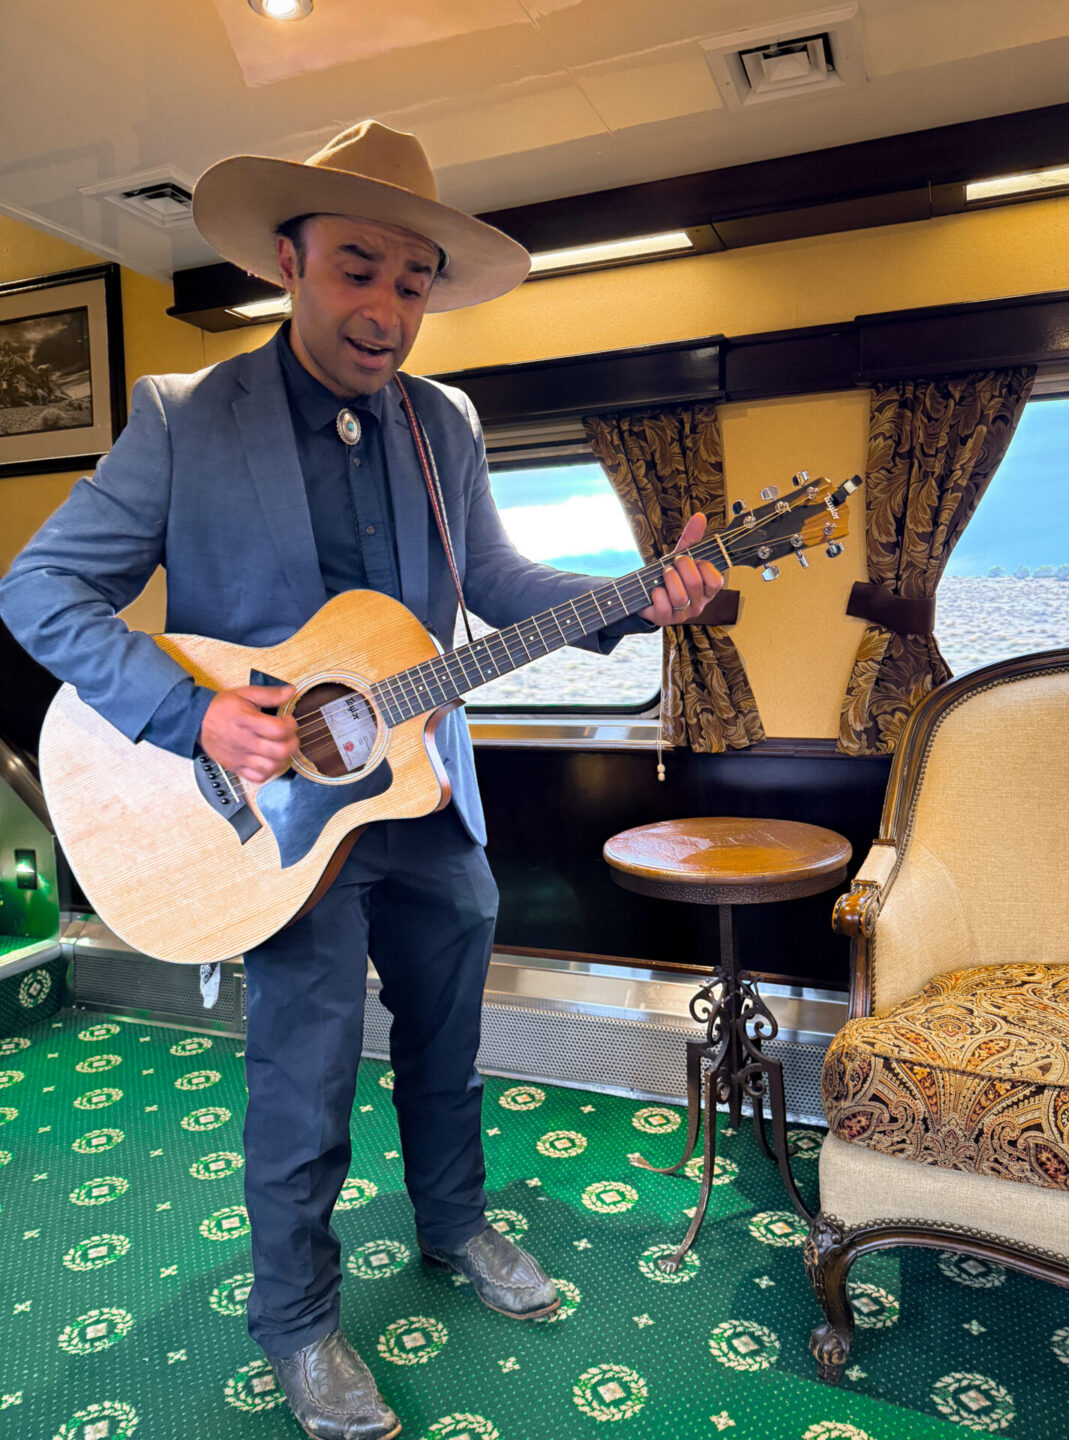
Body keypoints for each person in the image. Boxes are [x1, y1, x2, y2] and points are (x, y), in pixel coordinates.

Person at [0, 121, 722, 1439]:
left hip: (422, 793)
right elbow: (38, 589)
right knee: (304, 1073)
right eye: (357, 270)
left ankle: (455, 1228)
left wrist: (638, 600)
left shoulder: (443, 421)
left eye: (412, 281)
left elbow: (494, 591)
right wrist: (193, 711)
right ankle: (299, 1324)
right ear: (290, 260)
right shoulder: (182, 416)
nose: (386, 308)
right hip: (269, 818)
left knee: (448, 1048)